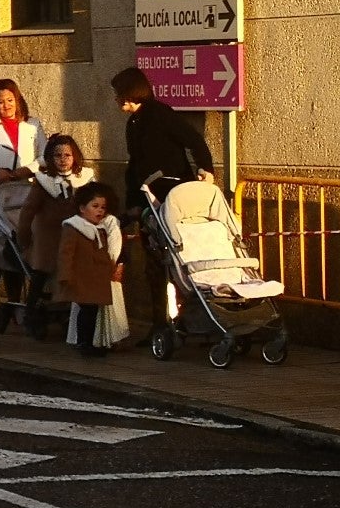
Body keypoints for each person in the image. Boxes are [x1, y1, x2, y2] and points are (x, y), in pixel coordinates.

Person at [112, 65, 214, 327]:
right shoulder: (132, 123)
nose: (115, 99)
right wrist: (133, 203)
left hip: (173, 195)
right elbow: (135, 166)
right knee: (154, 264)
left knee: (181, 259)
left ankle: (193, 316)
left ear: (129, 93)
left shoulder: (160, 115)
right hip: (149, 201)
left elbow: (194, 140)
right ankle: (160, 324)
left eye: (118, 93)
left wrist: (206, 169)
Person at [0, 78, 43, 324]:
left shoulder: (32, 125)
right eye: (0, 101)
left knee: (19, 247)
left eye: (9, 100)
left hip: (25, 194)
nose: (6, 106)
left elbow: (44, 157)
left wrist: (30, 169)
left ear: (17, 100)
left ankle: (16, 301)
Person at [15, 134, 94, 339]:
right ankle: (31, 314)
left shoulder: (84, 179)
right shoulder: (43, 182)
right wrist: (24, 241)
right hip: (48, 237)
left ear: (75, 156)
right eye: (57, 155)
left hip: (75, 235)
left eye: (67, 154)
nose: (63, 159)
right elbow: (27, 212)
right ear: (50, 158)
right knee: (40, 274)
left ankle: (77, 314)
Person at [55, 181, 127, 358]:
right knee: (86, 310)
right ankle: (84, 342)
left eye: (103, 207)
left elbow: (103, 252)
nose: (100, 211)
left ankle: (88, 342)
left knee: (92, 311)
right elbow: (66, 253)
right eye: (95, 206)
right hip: (81, 278)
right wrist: (65, 275)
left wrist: (111, 268)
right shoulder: (73, 228)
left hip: (95, 278)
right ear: (82, 208)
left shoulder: (99, 229)